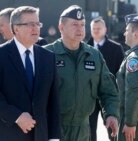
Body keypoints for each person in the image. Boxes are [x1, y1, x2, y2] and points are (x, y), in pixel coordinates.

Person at [0, 6, 60, 141]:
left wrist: (54, 137)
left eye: (38, 24)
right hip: (5, 134)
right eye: (30, 24)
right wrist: (17, 116)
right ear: (15, 28)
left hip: (38, 136)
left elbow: (53, 101)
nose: (36, 28)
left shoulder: (48, 57)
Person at [44, 5, 120, 141]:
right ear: (61, 27)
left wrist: (111, 114)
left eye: (82, 25)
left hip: (84, 130)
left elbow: (108, 91)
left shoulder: (94, 56)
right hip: (53, 129)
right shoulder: (46, 54)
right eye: (74, 24)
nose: (79, 29)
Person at [87, 17, 124, 141]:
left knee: (112, 128)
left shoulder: (116, 48)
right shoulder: (84, 48)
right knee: (89, 130)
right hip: (89, 94)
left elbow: (120, 72)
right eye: (94, 28)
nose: (96, 31)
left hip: (108, 94)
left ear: (105, 29)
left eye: (99, 28)